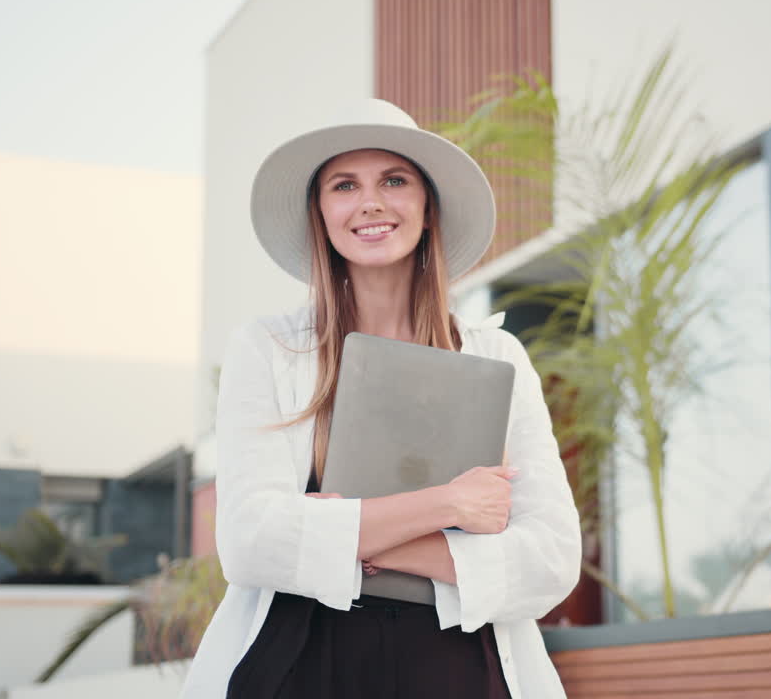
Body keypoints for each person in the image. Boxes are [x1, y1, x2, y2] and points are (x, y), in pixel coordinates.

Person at [180, 98, 582, 698]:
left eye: (394, 180)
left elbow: (550, 561)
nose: (370, 202)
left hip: (460, 662)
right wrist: (449, 504)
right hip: (302, 657)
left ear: (428, 207)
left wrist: (348, 536)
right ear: (320, 212)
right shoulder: (267, 348)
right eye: (345, 185)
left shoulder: (497, 356)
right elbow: (249, 541)